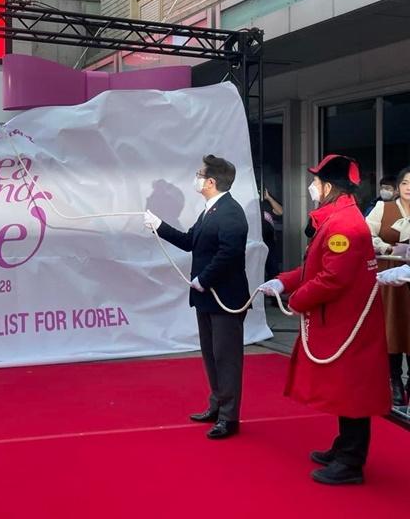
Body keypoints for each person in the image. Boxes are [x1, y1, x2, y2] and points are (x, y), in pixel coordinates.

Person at [260, 154, 391, 486]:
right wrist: (285, 281)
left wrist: (296, 299)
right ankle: (345, 448)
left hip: (347, 324)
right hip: (342, 321)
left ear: (328, 186)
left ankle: (351, 461)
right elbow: (315, 268)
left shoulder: (343, 225)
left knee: (353, 391)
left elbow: (332, 278)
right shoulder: (337, 219)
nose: (312, 187)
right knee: (345, 389)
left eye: (316, 182)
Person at [144, 154, 249, 439]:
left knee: (226, 358)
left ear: (211, 182)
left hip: (224, 297)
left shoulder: (230, 213)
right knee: (211, 356)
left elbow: (230, 253)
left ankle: (229, 417)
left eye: (200, 174)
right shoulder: (210, 210)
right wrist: (159, 226)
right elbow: (191, 241)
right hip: (206, 297)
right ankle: (217, 405)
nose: (197, 178)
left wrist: (205, 278)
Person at [365, 165, 410, 406]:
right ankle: (394, 381)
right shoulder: (384, 208)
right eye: (405, 183)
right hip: (390, 278)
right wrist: (387, 248)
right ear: (398, 187)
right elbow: (364, 234)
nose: (409, 188)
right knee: (392, 328)